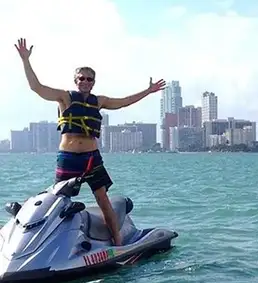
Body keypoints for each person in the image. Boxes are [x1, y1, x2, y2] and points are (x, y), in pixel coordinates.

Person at [14, 38, 166, 246]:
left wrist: (147, 91)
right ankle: (35, 235)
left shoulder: (99, 101)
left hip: (91, 159)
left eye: (89, 79)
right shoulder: (64, 97)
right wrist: (25, 60)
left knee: (103, 201)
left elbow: (123, 102)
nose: (85, 82)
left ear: (94, 82)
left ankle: (119, 243)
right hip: (68, 158)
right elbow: (36, 87)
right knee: (57, 199)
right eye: (81, 78)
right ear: (75, 80)